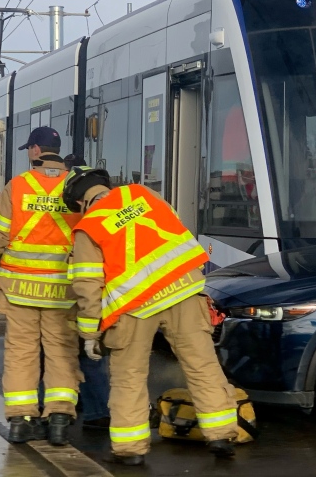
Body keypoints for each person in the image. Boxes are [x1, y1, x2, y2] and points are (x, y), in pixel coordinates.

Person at [62, 166, 239, 467]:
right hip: (184, 290)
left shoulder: (89, 227)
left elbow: (87, 286)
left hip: (133, 308)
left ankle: (130, 449)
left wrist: (90, 334)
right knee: (202, 365)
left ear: (79, 203)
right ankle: (222, 434)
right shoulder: (145, 194)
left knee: (129, 377)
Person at [0, 126, 83, 445]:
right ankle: (59, 418)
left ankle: (22, 420)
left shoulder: (18, 186)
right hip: (62, 289)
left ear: (36, 151)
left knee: (21, 352)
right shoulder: (76, 186)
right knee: (61, 351)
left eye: (28, 149)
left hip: (21, 287)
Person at [64, 153, 111, 430]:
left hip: (81, 300)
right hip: (119, 298)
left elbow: (86, 280)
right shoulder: (135, 200)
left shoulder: (86, 224)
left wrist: (91, 332)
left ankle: (92, 411)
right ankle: (98, 410)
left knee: (79, 354)